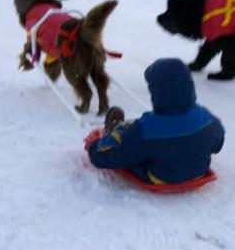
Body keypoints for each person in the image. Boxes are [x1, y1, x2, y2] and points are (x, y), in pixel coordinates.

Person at [86, 58, 225, 185]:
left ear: (157, 92)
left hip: (161, 177)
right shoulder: (205, 117)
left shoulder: (147, 128)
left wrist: (93, 148)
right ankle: (126, 133)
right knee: (151, 143)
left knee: (130, 145)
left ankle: (116, 131)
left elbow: (111, 157)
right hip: (198, 172)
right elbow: (217, 144)